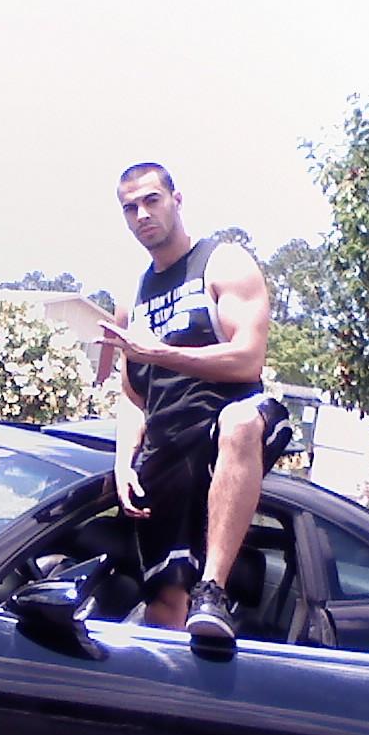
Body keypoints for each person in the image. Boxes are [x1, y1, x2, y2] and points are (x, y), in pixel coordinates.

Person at [98, 162, 291, 639]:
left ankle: (214, 589)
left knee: (240, 422)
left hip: (224, 428)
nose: (143, 214)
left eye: (152, 200)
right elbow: (133, 395)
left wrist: (161, 353)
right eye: (130, 208)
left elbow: (247, 360)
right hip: (168, 446)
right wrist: (123, 463)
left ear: (176, 200)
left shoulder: (223, 264)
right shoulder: (132, 299)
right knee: (164, 598)